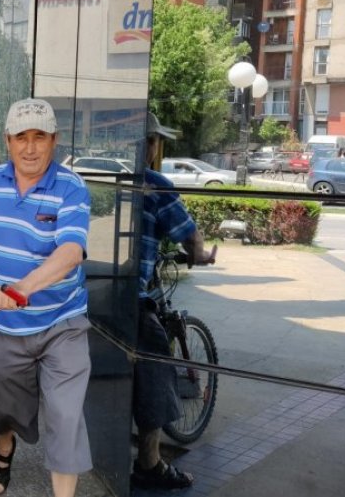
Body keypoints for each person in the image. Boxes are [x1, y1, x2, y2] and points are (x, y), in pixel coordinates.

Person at [0, 98, 92, 497]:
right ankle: (4, 449)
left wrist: (21, 289)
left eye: (40, 137)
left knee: (66, 417)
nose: (30, 148)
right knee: (0, 407)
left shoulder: (71, 187)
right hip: (5, 323)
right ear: (7, 141)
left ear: (54, 140)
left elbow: (71, 252)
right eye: (21, 138)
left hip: (62, 321)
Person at [132, 112, 215, 490]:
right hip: (130, 299)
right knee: (155, 371)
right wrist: (200, 255)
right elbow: (191, 237)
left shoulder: (96, 174)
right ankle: (149, 464)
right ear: (150, 144)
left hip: (85, 293)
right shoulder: (155, 185)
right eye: (155, 141)